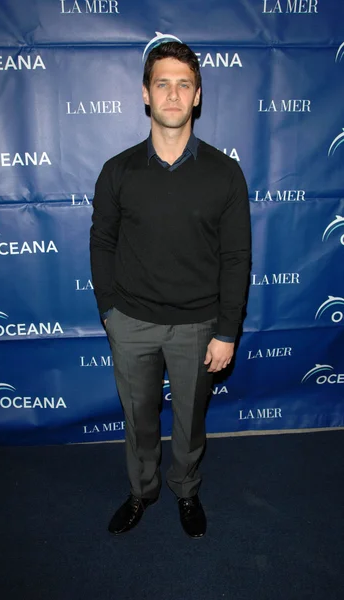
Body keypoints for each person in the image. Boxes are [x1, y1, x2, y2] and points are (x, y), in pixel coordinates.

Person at [90, 41, 251, 538]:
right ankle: (141, 492)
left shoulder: (225, 173)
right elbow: (102, 242)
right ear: (146, 93)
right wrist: (109, 313)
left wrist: (226, 331)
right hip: (131, 322)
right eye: (163, 83)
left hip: (198, 326)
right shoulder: (118, 171)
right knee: (138, 422)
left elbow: (235, 258)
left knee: (189, 424)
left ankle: (186, 490)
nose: (174, 94)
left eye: (184, 84)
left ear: (198, 96)